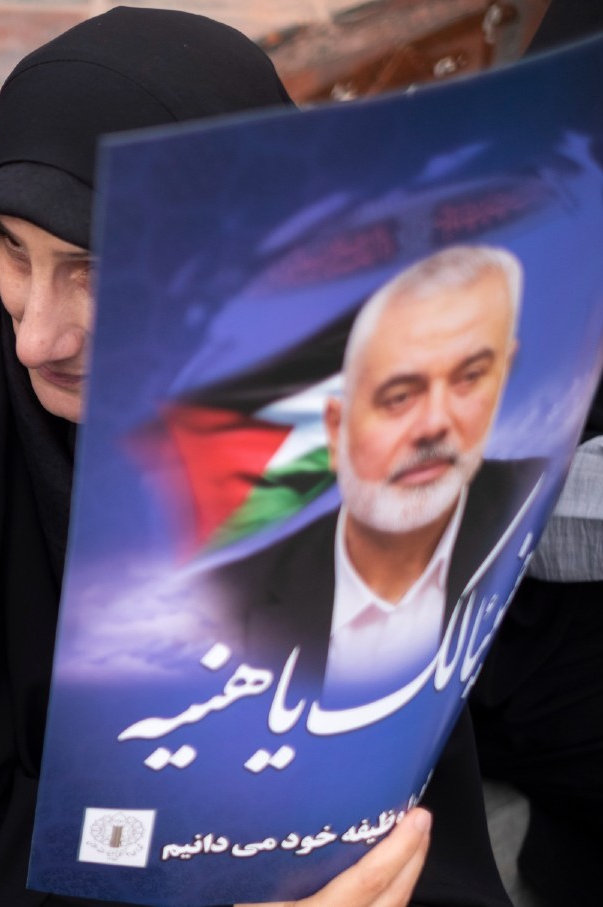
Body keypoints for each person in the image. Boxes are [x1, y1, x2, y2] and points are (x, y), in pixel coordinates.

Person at [0, 8, 510, 907]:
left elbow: (397, 829)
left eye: (92, 266)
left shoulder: (346, 437)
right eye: (12, 249)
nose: (37, 334)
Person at [210, 246, 543, 708]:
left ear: (504, 372)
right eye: (399, 396)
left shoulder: (534, 500)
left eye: (469, 377)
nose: (434, 424)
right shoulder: (225, 601)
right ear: (335, 428)